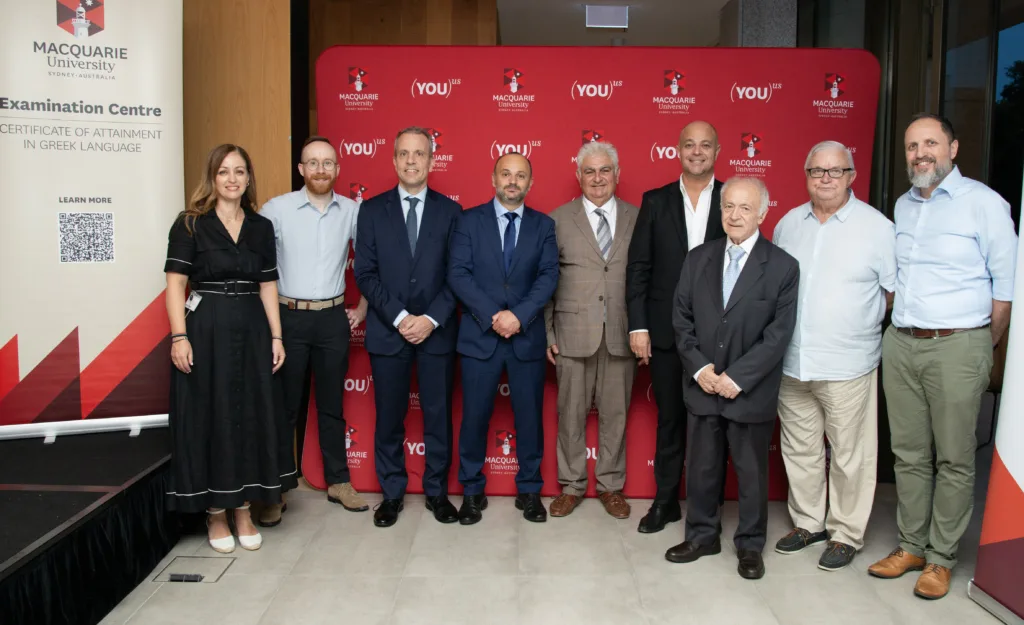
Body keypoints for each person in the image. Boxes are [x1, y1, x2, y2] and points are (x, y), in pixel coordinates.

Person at [868, 114, 1017, 600]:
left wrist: (981, 345)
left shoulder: (986, 204)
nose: (920, 153)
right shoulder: (903, 205)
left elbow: (1004, 291)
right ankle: (911, 545)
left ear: (953, 148)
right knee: (909, 455)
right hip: (903, 342)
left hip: (959, 343)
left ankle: (941, 558)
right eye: (912, 145)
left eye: (930, 143)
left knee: (954, 457)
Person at [164, 143, 297, 553]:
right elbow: (174, 287)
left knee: (249, 415)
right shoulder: (189, 224)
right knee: (213, 416)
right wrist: (179, 336)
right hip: (205, 329)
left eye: (240, 171)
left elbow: (269, 285)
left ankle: (243, 508)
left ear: (248, 179)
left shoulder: (259, 226)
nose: (233, 179)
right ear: (212, 177)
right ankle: (216, 514)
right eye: (224, 171)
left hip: (253, 329)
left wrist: (276, 337)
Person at [771, 141, 896, 571]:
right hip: (792, 362)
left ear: (852, 176)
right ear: (805, 175)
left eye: (835, 171)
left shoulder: (877, 227)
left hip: (848, 363)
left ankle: (846, 533)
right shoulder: (788, 224)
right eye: (816, 171)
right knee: (800, 448)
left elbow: (892, 293)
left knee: (850, 454)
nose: (825, 178)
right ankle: (809, 522)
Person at [668, 176, 798, 580]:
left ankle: (750, 544)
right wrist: (703, 369)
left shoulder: (782, 266)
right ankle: (702, 535)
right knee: (703, 468)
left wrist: (737, 378)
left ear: (762, 212)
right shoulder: (698, 259)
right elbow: (681, 319)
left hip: (749, 391)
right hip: (704, 385)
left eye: (745, 207)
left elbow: (779, 334)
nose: (735, 215)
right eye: (728, 207)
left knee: (751, 473)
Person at [354, 127, 463, 528]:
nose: (412, 161)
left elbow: (459, 276)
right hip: (388, 331)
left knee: (438, 416)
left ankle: (436, 492)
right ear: (394, 160)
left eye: (420, 154)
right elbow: (364, 273)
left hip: (437, 333)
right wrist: (401, 318)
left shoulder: (451, 213)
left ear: (432, 161)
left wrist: (430, 319)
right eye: (404, 154)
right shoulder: (371, 210)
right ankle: (392, 494)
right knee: (389, 418)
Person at [259, 136, 370, 526]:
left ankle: (339, 482)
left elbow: (372, 263)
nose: (321, 169)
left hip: (332, 319)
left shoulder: (353, 211)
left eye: (328, 163)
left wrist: (362, 307)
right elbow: (259, 270)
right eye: (313, 163)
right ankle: (276, 491)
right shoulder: (276, 210)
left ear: (338, 169)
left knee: (331, 406)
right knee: (284, 408)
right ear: (301, 169)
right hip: (288, 318)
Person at [448, 152, 558, 525]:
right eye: (506, 174)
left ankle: (529, 490)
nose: (513, 181)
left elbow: (547, 277)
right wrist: (495, 316)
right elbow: (459, 274)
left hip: (525, 337)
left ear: (531, 183)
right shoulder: (468, 221)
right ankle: (472, 491)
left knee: (530, 419)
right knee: (474, 418)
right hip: (481, 335)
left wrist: (519, 316)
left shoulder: (544, 226)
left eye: (521, 175)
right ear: (493, 179)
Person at [627, 120, 726, 533]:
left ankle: (708, 512)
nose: (697, 151)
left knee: (713, 428)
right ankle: (665, 503)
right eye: (689, 145)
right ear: (678, 150)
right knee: (670, 421)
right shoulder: (655, 201)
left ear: (717, 151)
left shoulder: (732, 199)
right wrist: (638, 327)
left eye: (705, 145)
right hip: (666, 334)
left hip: (718, 338)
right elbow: (638, 268)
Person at [545, 141, 638, 519]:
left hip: (622, 332)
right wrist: (549, 335)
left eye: (604, 171)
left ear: (617, 174)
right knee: (570, 414)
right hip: (571, 333)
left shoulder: (637, 217)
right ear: (578, 175)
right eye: (589, 171)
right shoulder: (557, 219)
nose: (597, 178)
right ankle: (571, 485)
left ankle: (611, 486)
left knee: (616, 415)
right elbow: (547, 280)